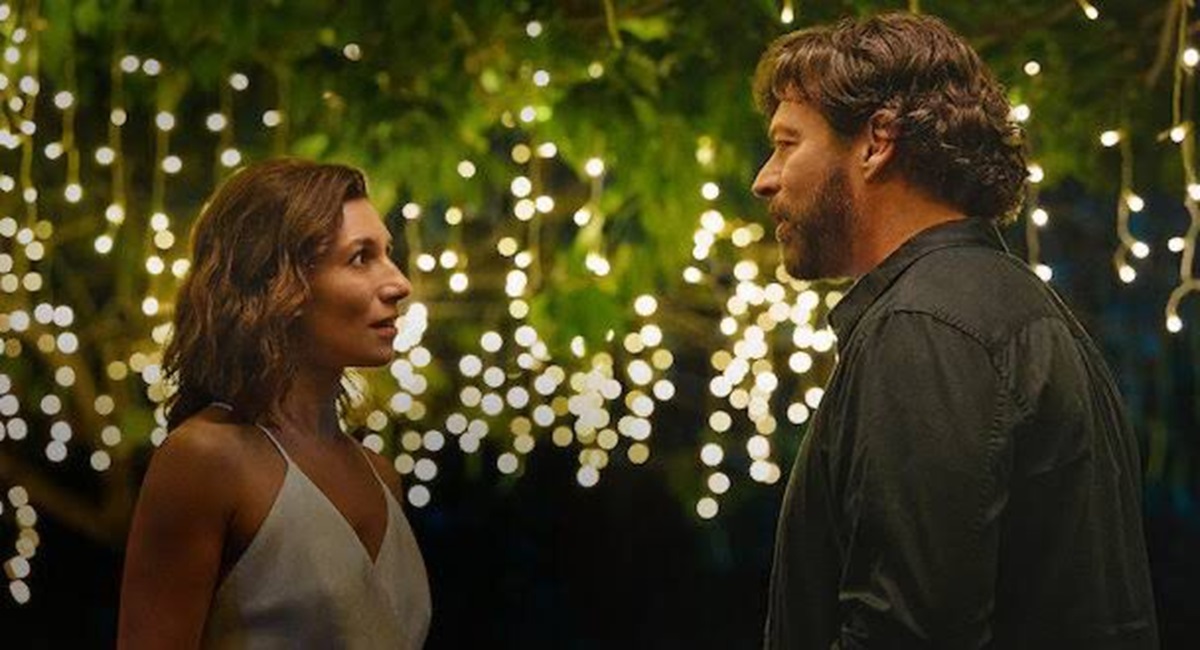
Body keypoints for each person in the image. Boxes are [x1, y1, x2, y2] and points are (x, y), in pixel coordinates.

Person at [751, 13, 1157, 649]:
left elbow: (906, 632)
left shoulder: (926, 328)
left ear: (876, 141)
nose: (764, 179)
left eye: (786, 143)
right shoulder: (1008, 308)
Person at [118, 158, 431, 649]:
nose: (399, 283)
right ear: (279, 284)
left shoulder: (381, 475)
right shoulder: (206, 458)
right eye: (360, 258)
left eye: (387, 253)